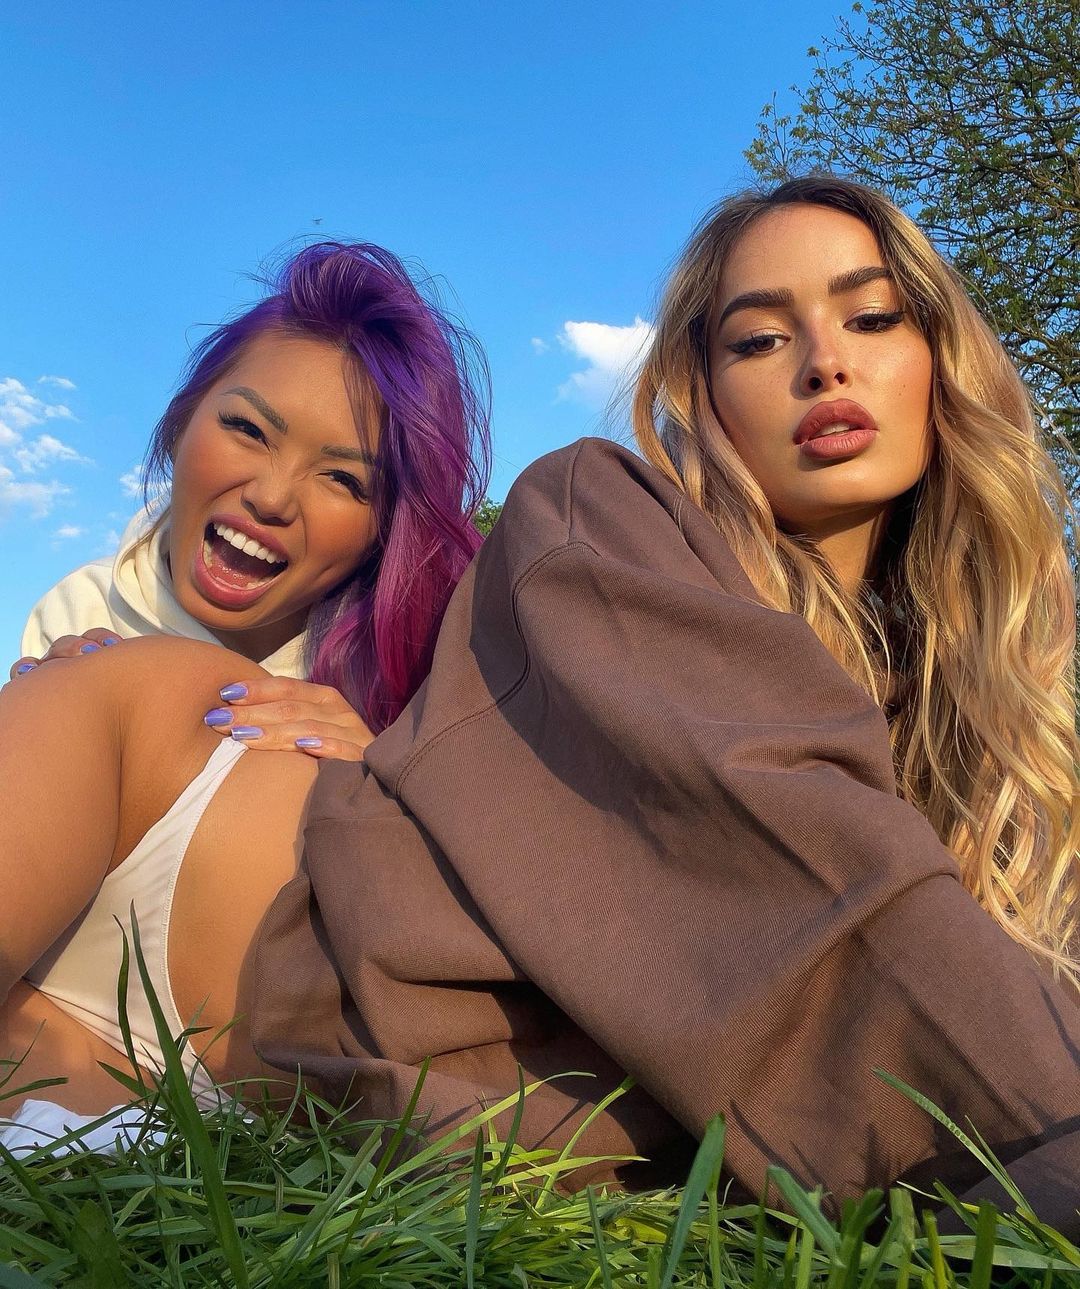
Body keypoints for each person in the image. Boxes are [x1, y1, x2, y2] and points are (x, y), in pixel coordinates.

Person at [4, 176, 1080, 1228]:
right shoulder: (597, 511)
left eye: (873, 317)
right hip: (194, 840)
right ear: (703, 392)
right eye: (758, 338)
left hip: (225, 1072)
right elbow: (829, 885)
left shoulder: (973, 710)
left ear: (943, 354)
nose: (825, 362)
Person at [11, 240, 491, 759]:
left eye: (343, 479)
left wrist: (376, 786)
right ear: (181, 420)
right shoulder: (79, 609)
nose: (271, 498)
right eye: (248, 429)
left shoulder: (438, 675)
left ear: (385, 533)